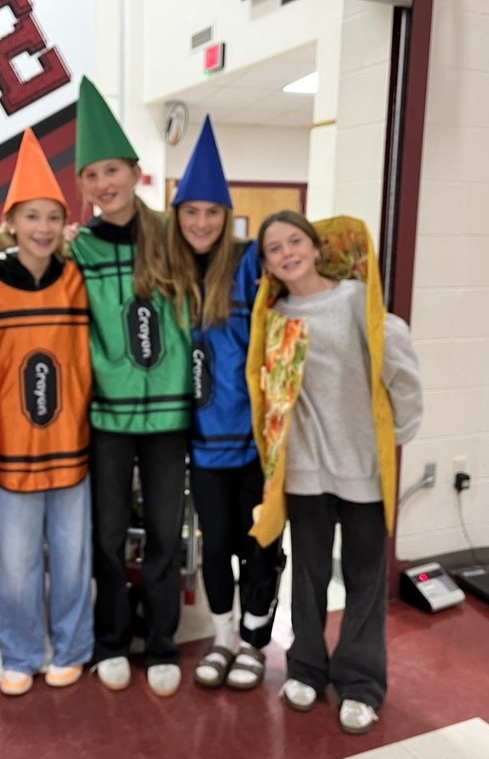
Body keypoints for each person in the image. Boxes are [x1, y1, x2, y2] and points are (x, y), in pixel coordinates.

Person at [248, 210, 423, 734]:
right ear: (268, 264)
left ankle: (361, 682)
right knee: (308, 574)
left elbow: (399, 365)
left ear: (316, 246)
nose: (286, 252)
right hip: (305, 469)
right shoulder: (275, 314)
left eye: (294, 240)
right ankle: (305, 666)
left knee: (367, 579)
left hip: (363, 466)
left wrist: (400, 434)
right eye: (274, 248)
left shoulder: (354, 300)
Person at [72, 76, 200, 697]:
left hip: (169, 419)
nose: (104, 184)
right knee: (106, 535)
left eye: (111, 170)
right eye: (91, 175)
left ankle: (165, 642)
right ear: (84, 186)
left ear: (133, 170)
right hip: (109, 419)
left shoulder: (173, 236)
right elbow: (23, 263)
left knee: (166, 535)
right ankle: (111, 641)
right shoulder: (81, 250)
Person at [167, 116, 283, 692]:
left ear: (226, 215)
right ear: (178, 216)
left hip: (256, 441)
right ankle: (222, 637)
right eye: (192, 212)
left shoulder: (249, 265)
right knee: (215, 547)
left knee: (257, 544)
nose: (202, 222)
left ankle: (257, 645)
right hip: (203, 445)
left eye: (212, 212)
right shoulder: (169, 271)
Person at [0, 128, 94, 696]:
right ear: (12, 222)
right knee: (18, 564)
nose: (43, 228)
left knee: (73, 560)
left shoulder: (79, 279)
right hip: (13, 449)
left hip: (73, 446)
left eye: (53, 216)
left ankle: (73, 648)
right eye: (32, 217)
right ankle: (21, 654)